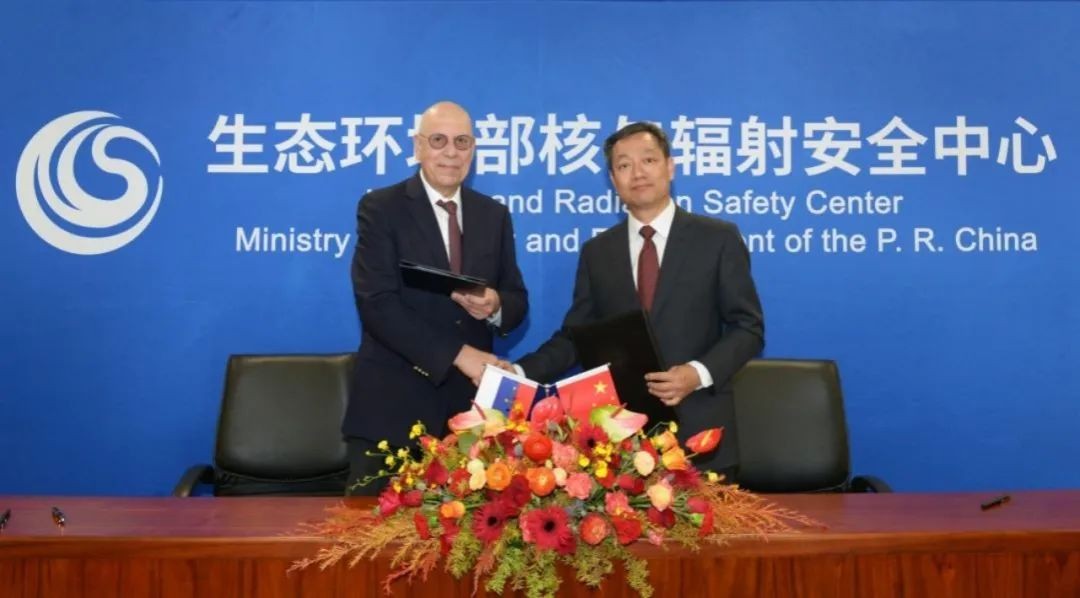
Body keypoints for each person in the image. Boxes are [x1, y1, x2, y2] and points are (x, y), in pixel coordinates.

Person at [510, 122, 763, 482]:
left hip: (702, 436)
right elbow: (576, 337)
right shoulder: (598, 252)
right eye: (624, 165)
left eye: (648, 160)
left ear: (670, 167)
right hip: (622, 445)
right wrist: (518, 374)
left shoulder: (717, 238)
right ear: (613, 180)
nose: (638, 173)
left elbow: (748, 327)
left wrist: (697, 373)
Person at [343, 101, 528, 494]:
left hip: (470, 419)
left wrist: (495, 304)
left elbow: (517, 301)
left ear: (473, 149)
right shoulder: (381, 207)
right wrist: (461, 355)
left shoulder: (493, 215)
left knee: (470, 532)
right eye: (438, 140)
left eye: (462, 142)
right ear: (418, 146)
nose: (451, 152)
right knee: (370, 532)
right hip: (392, 411)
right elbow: (377, 304)